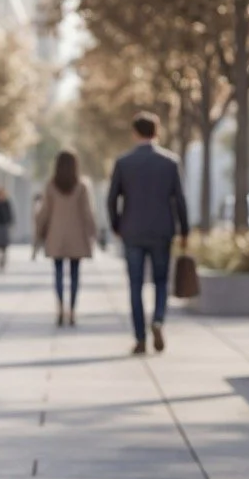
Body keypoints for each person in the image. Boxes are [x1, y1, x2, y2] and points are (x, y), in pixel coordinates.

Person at [107, 111, 190, 354]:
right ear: (157, 132)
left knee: (135, 285)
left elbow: (112, 199)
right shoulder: (170, 162)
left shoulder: (123, 162)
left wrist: (116, 225)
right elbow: (180, 200)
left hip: (132, 230)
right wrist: (184, 229)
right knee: (161, 281)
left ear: (135, 133)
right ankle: (158, 320)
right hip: (162, 230)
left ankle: (140, 338)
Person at [36, 149, 97, 327]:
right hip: (77, 236)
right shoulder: (81, 186)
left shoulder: (50, 185)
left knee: (58, 273)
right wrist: (93, 232)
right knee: (75, 274)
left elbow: (44, 212)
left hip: (56, 236)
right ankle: (72, 310)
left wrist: (39, 231)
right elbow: (87, 212)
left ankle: (60, 307)